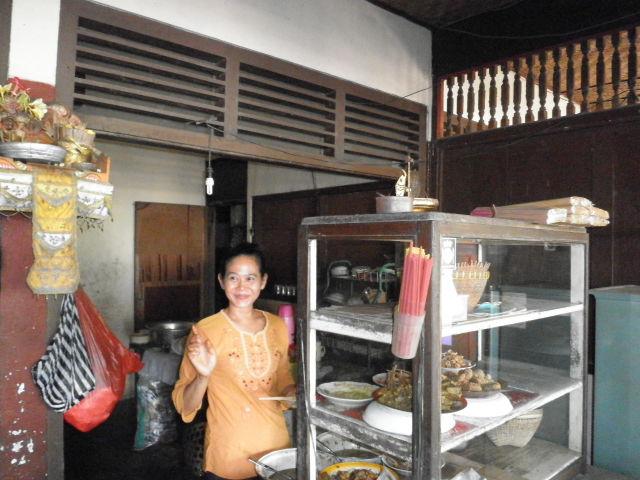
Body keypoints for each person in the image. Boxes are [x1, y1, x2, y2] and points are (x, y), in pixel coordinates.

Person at [172, 243, 296, 480]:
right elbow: (185, 406)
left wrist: (291, 392)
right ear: (221, 281)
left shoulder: (278, 326)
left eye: (250, 278)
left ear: (263, 281)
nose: (242, 287)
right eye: (233, 278)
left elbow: (282, 378)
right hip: (228, 456)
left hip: (276, 452)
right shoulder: (204, 331)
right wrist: (203, 376)